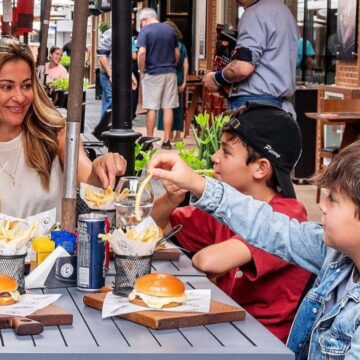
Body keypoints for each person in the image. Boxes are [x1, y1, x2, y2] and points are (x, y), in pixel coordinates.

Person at [149, 136, 360, 358]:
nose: (321, 206)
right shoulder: (334, 255)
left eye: (333, 199)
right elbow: (265, 225)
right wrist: (196, 183)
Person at [150, 102, 312, 342]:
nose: (215, 157)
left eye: (226, 152)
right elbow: (155, 229)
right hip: (223, 328)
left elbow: (208, 261)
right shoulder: (229, 206)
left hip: (261, 343)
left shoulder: (287, 215)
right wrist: (171, 199)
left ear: (260, 168)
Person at [0, 37, 127, 219]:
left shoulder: (54, 133)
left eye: (26, 86)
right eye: (6, 87)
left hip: (54, 247)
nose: (19, 97)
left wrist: (102, 166)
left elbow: (89, 181)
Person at [202, 0, 298, 116]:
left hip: (253, 109)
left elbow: (242, 67)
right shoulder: (285, 13)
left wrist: (216, 78)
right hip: (282, 109)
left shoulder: (255, 13)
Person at [137, 8, 180, 149]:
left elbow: (142, 52)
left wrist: (142, 69)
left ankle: (149, 141)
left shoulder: (146, 31)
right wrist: (173, 65)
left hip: (153, 72)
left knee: (151, 108)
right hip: (170, 72)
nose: (141, 25)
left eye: (140, 22)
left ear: (145, 19)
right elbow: (177, 52)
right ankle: (167, 141)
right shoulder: (169, 30)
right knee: (168, 107)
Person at [157, 21, 189, 143]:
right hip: (179, 79)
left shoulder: (166, 46)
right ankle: (178, 135)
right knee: (178, 107)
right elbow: (186, 64)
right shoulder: (182, 46)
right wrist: (184, 81)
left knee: (166, 108)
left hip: (167, 79)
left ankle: (168, 135)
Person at [97, 28, 138, 122]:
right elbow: (101, 56)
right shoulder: (109, 33)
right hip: (108, 73)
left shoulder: (128, 35)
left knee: (111, 102)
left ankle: (102, 130)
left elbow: (126, 57)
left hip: (121, 74)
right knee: (112, 101)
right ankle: (103, 130)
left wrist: (131, 75)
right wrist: (110, 73)